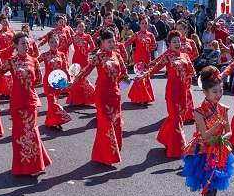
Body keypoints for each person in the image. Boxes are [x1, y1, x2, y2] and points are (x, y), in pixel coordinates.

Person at [0, 32, 50, 175]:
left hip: (30, 101)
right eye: (23, 43)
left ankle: (36, 164)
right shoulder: (12, 61)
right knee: (20, 133)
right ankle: (22, 166)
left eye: (27, 43)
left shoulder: (34, 61)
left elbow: (39, 79)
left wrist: (27, 85)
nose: (26, 46)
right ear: (16, 45)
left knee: (32, 130)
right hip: (17, 102)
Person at [182, 65, 234, 196]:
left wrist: (222, 138)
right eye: (215, 91)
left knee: (214, 192)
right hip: (204, 153)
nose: (219, 94)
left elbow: (229, 131)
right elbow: (204, 135)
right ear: (205, 91)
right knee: (208, 191)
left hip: (219, 151)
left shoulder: (223, 109)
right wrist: (215, 130)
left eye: (220, 91)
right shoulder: (199, 110)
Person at [69, 29, 128, 165]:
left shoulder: (118, 56)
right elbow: (86, 70)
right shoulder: (99, 57)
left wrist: (131, 80)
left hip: (115, 95)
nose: (112, 44)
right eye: (109, 42)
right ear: (102, 43)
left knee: (116, 124)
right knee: (105, 124)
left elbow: (124, 73)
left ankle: (110, 154)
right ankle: (105, 155)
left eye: (113, 41)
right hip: (102, 94)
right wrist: (74, 80)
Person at [138, 30, 195, 158]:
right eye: (174, 41)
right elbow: (155, 69)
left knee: (179, 119)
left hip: (183, 92)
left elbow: (191, 71)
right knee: (175, 118)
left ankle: (165, 138)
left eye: (178, 41)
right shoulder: (168, 56)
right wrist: (143, 76)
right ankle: (178, 149)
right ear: (169, 44)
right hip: (172, 92)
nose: (177, 43)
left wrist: (186, 80)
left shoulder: (185, 56)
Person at [37, 34, 72, 129]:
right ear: (48, 43)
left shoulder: (61, 55)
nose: (53, 44)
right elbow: (35, 63)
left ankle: (51, 122)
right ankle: (61, 118)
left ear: (58, 42)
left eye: (55, 41)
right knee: (52, 101)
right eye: (51, 42)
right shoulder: (45, 55)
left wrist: (69, 81)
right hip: (48, 82)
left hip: (58, 82)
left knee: (53, 101)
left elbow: (65, 68)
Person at [124, 15, 157, 105]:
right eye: (142, 23)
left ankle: (140, 96)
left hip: (147, 58)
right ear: (139, 24)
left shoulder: (150, 35)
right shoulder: (136, 35)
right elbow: (128, 43)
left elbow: (154, 46)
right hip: (138, 58)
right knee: (140, 76)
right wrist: (119, 47)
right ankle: (143, 97)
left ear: (148, 24)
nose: (144, 25)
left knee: (146, 76)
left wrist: (147, 50)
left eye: (146, 23)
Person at [66, 19, 96, 106]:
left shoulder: (88, 36)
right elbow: (66, 45)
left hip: (85, 60)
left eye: (83, 26)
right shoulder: (74, 37)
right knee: (78, 80)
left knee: (82, 79)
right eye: (80, 26)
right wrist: (57, 51)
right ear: (76, 28)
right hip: (76, 60)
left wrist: (86, 51)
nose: (82, 28)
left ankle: (83, 98)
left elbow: (93, 47)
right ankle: (78, 100)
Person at [0, 14, 16, 96]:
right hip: (1, 54)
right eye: (3, 21)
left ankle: (9, 91)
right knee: (2, 73)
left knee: (10, 73)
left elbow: (17, 42)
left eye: (6, 21)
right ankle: (2, 90)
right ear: (0, 23)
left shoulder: (12, 31)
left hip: (10, 54)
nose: (5, 23)